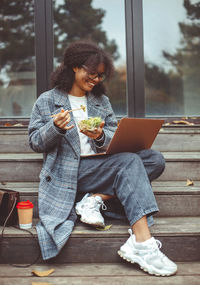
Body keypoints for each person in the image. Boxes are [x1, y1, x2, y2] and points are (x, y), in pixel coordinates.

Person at [28, 40, 177, 276]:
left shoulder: (101, 101)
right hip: (69, 171)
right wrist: (55, 128)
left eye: (100, 76)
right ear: (75, 67)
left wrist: (99, 136)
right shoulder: (47, 100)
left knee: (154, 159)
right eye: (92, 73)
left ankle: (95, 198)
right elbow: (35, 142)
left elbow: (113, 134)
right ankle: (142, 243)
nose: (96, 79)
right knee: (129, 162)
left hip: (102, 165)